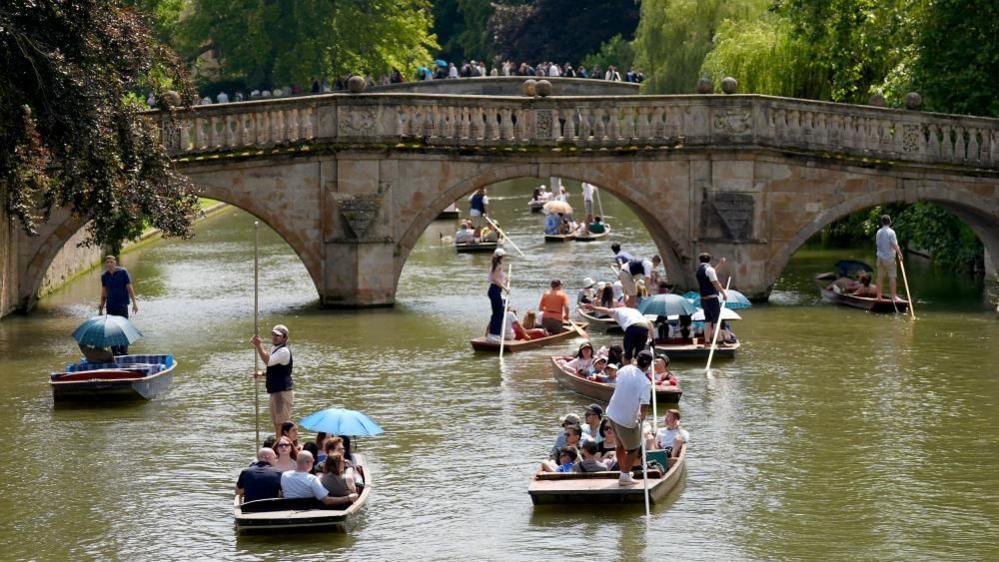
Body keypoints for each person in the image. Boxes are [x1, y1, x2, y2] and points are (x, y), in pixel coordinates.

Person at [606, 350, 653, 486]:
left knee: (620, 445)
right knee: (633, 448)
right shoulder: (645, 382)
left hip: (612, 413)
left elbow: (619, 379)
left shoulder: (625, 369)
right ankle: (625, 475)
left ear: (636, 360)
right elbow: (644, 406)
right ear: (648, 365)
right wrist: (641, 418)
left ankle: (623, 471)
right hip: (626, 420)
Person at [252, 324, 294, 437]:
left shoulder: (284, 351)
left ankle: (285, 448)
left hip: (282, 392)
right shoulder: (275, 349)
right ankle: (278, 447)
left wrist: (258, 345)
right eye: (273, 334)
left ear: (285, 338)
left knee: (282, 425)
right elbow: (277, 370)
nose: (275, 337)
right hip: (275, 391)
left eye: (278, 336)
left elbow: (268, 361)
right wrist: (263, 374)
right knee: (277, 424)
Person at [281, 450, 358, 505]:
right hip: (309, 510)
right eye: (312, 461)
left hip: (288, 508)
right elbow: (327, 501)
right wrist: (348, 498)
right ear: (308, 462)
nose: (313, 462)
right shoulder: (312, 479)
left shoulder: (284, 475)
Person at [98, 255, 139, 355]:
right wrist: (101, 308)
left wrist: (134, 303)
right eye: (107, 262)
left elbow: (130, 288)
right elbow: (104, 293)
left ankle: (124, 352)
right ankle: (115, 353)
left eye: (111, 262)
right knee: (111, 330)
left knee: (123, 328)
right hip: (110, 307)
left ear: (115, 263)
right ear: (105, 264)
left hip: (122, 306)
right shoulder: (104, 276)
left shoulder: (123, 272)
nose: (109, 264)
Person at [584, 303, 651, 362]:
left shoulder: (618, 310)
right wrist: (653, 339)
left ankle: (627, 370)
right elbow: (649, 323)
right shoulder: (635, 311)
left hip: (632, 328)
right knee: (639, 354)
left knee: (628, 354)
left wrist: (594, 308)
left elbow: (607, 310)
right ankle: (639, 369)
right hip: (644, 328)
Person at [695, 253, 729, 345]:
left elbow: (713, 272)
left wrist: (720, 264)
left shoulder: (699, 270)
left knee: (707, 321)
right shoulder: (709, 269)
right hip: (712, 299)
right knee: (716, 321)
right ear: (709, 260)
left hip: (703, 299)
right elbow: (715, 283)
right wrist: (724, 293)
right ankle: (720, 341)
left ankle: (707, 341)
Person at [875, 215, 903, 301]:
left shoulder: (878, 232)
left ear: (882, 222)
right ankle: (894, 297)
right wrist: (900, 254)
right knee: (892, 277)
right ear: (890, 222)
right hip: (889, 258)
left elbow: (878, 244)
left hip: (880, 257)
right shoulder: (891, 232)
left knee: (879, 277)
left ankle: (879, 297)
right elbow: (894, 245)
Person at [486, 249, 509, 341]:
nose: (505, 258)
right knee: (499, 313)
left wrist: (506, 281)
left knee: (498, 312)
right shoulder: (498, 266)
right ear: (501, 257)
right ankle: (493, 334)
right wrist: (505, 288)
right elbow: (495, 279)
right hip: (494, 290)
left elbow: (498, 279)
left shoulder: (496, 265)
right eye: (504, 256)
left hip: (495, 290)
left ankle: (495, 334)